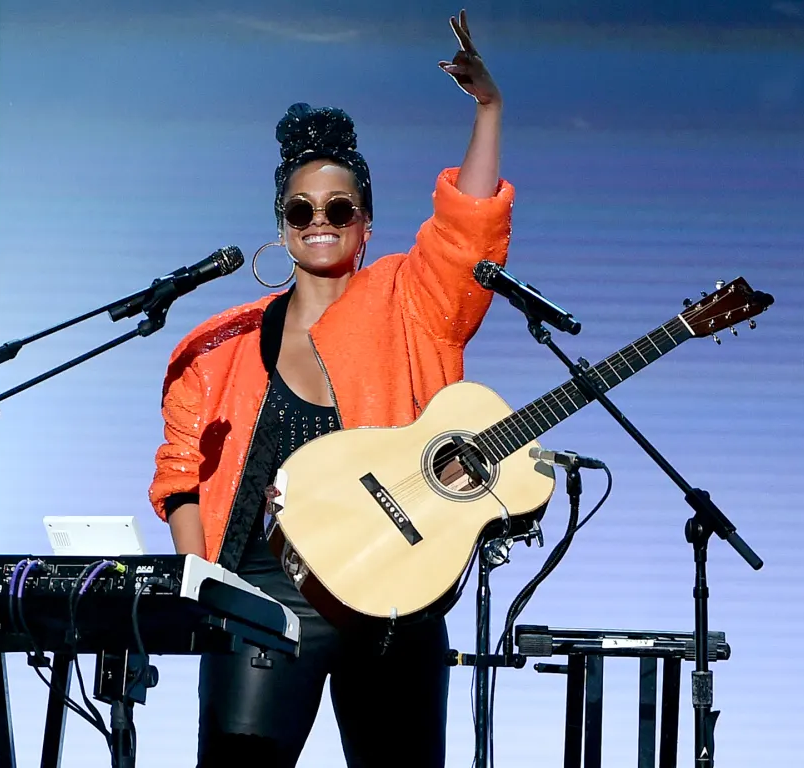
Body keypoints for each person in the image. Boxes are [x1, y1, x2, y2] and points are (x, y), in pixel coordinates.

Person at [149, 10, 513, 767]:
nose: (321, 222)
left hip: (393, 594)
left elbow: (465, 231)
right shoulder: (219, 348)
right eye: (301, 211)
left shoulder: (410, 304)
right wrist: (205, 591)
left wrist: (488, 110)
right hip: (261, 594)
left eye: (340, 209)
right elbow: (182, 474)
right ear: (282, 228)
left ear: (367, 223)